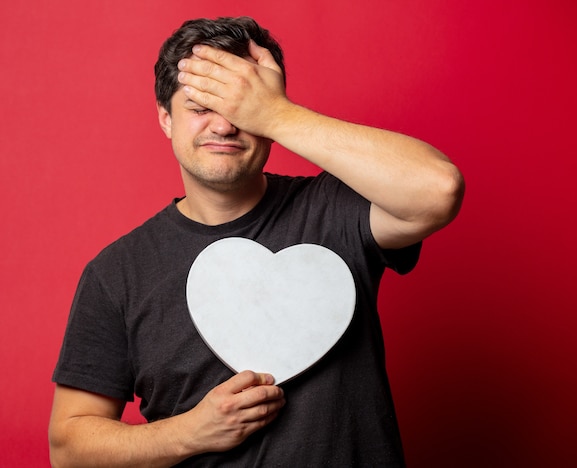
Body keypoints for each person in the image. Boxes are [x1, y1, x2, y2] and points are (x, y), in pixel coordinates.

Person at [48, 16, 464, 467]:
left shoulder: (334, 210)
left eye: (241, 108)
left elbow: (438, 189)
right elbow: (69, 450)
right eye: (201, 106)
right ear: (166, 119)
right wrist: (189, 433)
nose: (225, 126)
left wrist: (275, 113)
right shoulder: (117, 274)